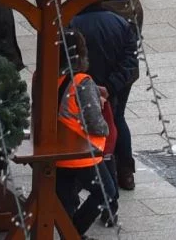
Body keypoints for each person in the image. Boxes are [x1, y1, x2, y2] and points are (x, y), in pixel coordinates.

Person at [70, 0, 141, 205]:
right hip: (113, 88)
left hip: (84, 88)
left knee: (89, 129)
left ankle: (86, 179)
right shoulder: (120, 23)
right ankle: (125, 173)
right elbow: (130, 62)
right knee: (116, 123)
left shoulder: (73, 24)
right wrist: (110, 87)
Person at [49, 35, 114, 234]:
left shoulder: (45, 76)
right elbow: (94, 123)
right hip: (82, 154)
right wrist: (106, 127)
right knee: (106, 193)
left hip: (54, 150)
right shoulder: (81, 82)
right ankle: (73, 234)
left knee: (67, 201)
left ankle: (69, 233)